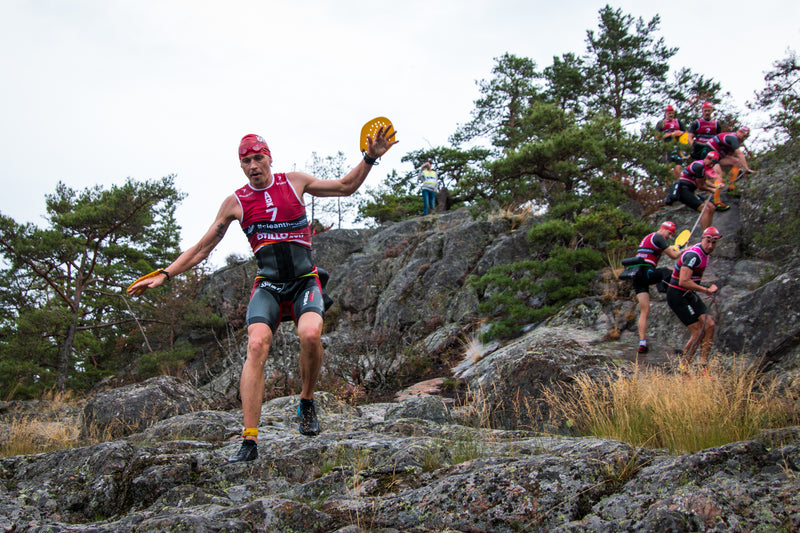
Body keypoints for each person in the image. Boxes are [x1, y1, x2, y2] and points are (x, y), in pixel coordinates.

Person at [127, 127, 398, 463]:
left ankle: (307, 401)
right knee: (256, 345)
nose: (253, 164)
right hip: (268, 285)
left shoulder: (294, 182)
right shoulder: (235, 202)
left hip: (303, 281)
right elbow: (201, 248)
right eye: (246, 160)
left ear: (269, 157)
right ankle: (249, 440)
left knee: (311, 334)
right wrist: (165, 274)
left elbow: (345, 186)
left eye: (258, 157)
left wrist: (370, 158)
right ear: (241, 165)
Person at [666, 226, 722, 374]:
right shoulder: (694, 255)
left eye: (714, 243)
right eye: (708, 241)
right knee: (698, 331)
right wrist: (706, 290)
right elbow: (683, 281)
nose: (710, 246)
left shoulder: (704, 252)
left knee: (709, 325)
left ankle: (702, 366)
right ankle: (683, 367)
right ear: (702, 239)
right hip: (677, 295)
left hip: (689, 293)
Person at [632, 221, 682, 354]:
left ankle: (642, 342)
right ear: (663, 229)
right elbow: (673, 255)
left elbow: (666, 248)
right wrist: (686, 249)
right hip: (647, 271)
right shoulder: (659, 237)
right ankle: (664, 288)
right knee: (670, 271)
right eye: (670, 233)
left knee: (644, 310)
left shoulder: (649, 237)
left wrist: (675, 247)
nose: (670, 236)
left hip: (636, 275)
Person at [698, 127, 757, 198]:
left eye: (746, 137)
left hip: (717, 156)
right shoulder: (733, 138)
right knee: (719, 175)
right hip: (709, 155)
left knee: (737, 162)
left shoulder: (736, 140)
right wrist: (746, 168)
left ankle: (731, 188)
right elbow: (740, 154)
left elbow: (729, 155)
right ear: (739, 132)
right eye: (743, 136)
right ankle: (716, 201)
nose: (744, 138)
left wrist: (736, 170)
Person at [670, 151, 721, 230]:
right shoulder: (699, 166)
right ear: (707, 158)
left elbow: (704, 181)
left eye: (714, 164)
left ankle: (708, 230)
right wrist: (712, 189)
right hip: (683, 190)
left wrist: (715, 186)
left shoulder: (703, 166)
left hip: (689, 190)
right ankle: (705, 234)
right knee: (705, 209)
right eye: (711, 162)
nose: (711, 165)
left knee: (711, 207)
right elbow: (701, 186)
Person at [655, 105, 687, 178]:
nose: (671, 115)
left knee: (678, 170)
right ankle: (668, 188)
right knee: (668, 170)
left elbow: (686, 133)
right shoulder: (661, 123)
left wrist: (680, 133)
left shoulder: (678, 122)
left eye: (672, 113)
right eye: (669, 113)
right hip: (667, 148)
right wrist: (671, 134)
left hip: (678, 148)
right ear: (666, 113)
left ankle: (677, 187)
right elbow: (657, 137)